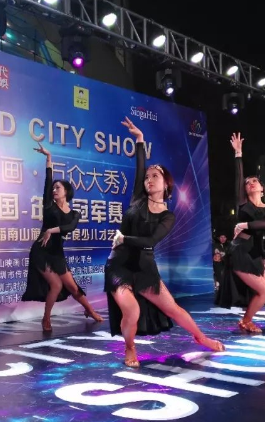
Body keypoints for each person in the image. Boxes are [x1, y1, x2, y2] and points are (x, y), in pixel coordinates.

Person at [105, 117, 224, 368]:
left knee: (174, 309)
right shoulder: (138, 197)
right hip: (119, 265)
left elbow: (150, 240)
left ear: (166, 183)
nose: (149, 178)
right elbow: (139, 164)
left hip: (145, 267)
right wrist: (140, 139)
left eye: (155, 175)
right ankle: (130, 347)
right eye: (147, 176)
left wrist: (124, 237)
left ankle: (201, 337)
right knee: (132, 310)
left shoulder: (168, 216)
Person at [21, 143, 103, 331]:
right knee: (56, 285)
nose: (54, 190)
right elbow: (48, 180)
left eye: (58, 188)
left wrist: (52, 230)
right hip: (41, 252)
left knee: (73, 287)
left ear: (66, 191)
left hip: (57, 254)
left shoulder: (74, 214)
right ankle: (46, 319)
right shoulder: (49, 205)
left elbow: (70, 227)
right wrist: (48, 158)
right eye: (53, 188)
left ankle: (90, 310)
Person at [218, 132, 265, 333]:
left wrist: (244, 225)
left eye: (254, 181)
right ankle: (246, 320)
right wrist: (238, 153)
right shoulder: (243, 203)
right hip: (240, 252)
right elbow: (239, 176)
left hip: (255, 254)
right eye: (247, 182)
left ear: (262, 188)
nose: (250, 183)